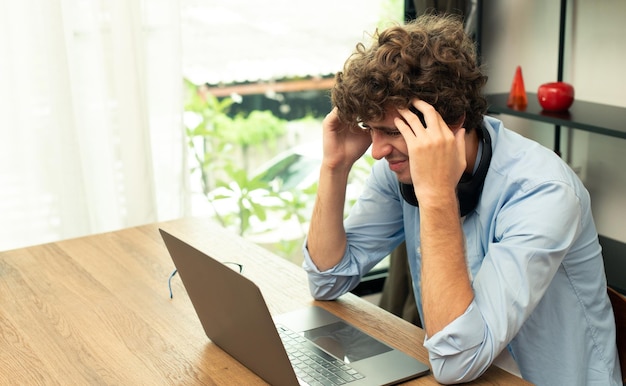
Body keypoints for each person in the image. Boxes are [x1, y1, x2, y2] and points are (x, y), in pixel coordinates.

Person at [301, 14, 621, 385]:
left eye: (390, 131)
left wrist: (436, 195)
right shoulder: (398, 167)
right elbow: (326, 282)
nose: (375, 150)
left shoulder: (543, 192)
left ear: (451, 123)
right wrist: (334, 165)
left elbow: (457, 361)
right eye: (370, 129)